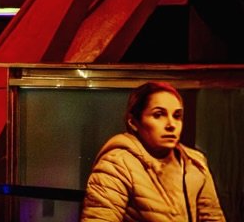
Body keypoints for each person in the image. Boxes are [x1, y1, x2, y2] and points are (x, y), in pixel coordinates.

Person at [81, 83, 226, 222]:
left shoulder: (194, 163)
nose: (171, 125)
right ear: (133, 122)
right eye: (158, 115)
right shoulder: (117, 164)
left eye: (177, 116)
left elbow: (213, 217)